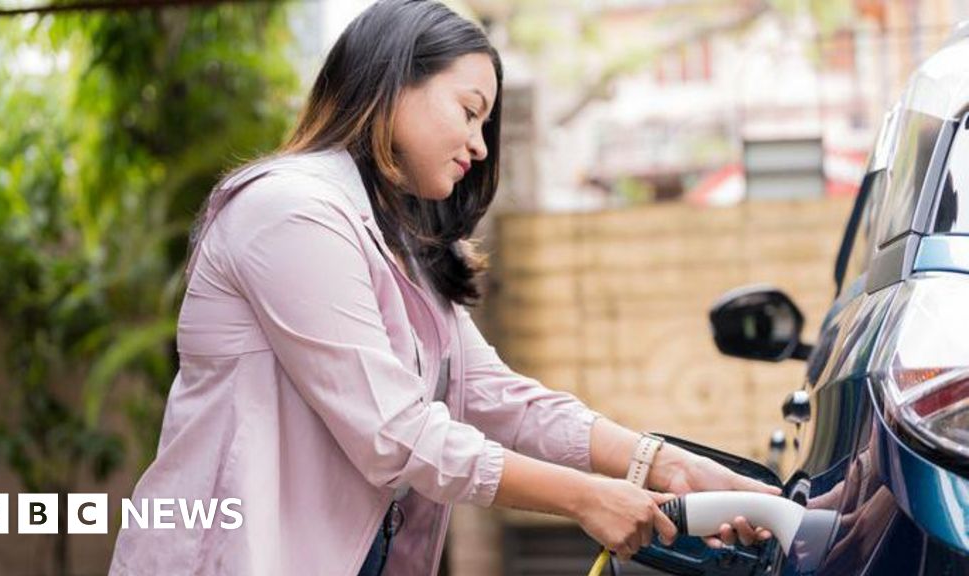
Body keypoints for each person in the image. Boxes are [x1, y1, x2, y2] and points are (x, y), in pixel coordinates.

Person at [108, 1, 779, 575]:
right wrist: (586, 498)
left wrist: (665, 465)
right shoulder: (289, 212)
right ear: (394, 82)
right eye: (469, 111)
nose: (481, 144)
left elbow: (500, 399)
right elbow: (395, 431)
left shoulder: (397, 244)